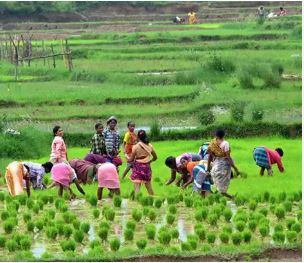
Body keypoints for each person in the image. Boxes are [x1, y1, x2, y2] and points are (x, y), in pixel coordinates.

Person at [206, 128, 238, 199]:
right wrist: (235, 169)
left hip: (215, 166)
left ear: (216, 135)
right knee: (222, 185)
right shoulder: (225, 143)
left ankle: (224, 196)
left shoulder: (212, 143)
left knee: (218, 183)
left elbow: (209, 157)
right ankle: (230, 197)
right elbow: (228, 157)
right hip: (223, 166)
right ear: (224, 135)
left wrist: (208, 169)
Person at [127, 130, 157, 195]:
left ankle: (137, 201)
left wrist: (126, 157)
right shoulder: (149, 146)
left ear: (138, 137)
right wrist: (150, 161)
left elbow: (131, 160)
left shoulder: (135, 147)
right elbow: (155, 157)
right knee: (149, 186)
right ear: (145, 136)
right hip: (146, 167)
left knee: (137, 186)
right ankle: (153, 200)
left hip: (138, 167)